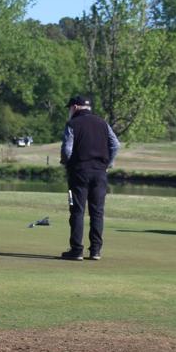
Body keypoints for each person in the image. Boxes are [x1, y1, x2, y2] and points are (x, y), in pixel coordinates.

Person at [59, 95, 119, 260]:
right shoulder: (103, 123)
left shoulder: (72, 124)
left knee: (77, 211)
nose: (69, 111)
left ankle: (77, 250)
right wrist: (108, 164)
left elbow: (67, 150)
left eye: (70, 108)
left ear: (76, 107)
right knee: (97, 212)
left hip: (79, 172)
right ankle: (95, 251)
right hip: (99, 173)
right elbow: (115, 144)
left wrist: (66, 162)